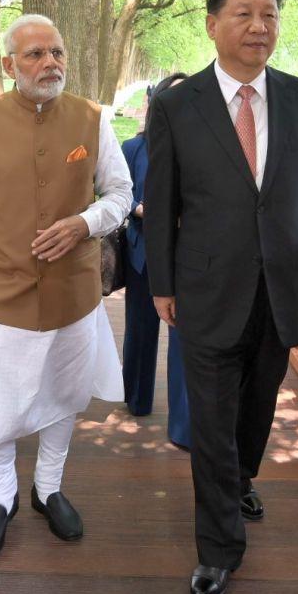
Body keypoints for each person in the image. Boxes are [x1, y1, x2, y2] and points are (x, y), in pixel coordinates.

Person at [144, 0, 298, 594]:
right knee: (211, 420)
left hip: (280, 285)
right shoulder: (176, 104)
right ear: (213, 24)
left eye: (270, 15)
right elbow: (162, 196)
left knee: (259, 404)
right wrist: (162, 282)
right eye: (244, 14)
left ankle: (240, 478)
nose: (260, 27)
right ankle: (219, 548)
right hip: (206, 288)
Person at [0, 14, 133, 560]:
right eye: (34, 55)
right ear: (9, 65)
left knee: (64, 394)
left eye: (57, 51)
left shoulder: (93, 118)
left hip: (73, 293)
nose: (50, 63)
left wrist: (85, 223)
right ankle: (1, 497)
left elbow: (120, 191)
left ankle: (48, 488)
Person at [121, 73, 191, 449]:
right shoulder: (133, 148)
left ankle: (183, 424)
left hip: (190, 259)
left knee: (184, 340)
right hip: (143, 254)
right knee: (140, 330)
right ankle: (137, 398)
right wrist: (139, 209)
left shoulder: (202, 148)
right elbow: (117, 195)